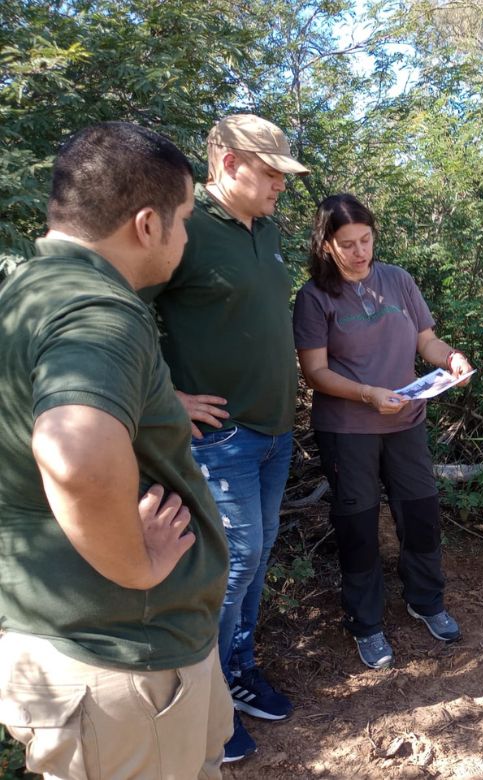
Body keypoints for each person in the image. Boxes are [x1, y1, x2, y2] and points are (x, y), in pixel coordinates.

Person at [0, 122, 231, 778]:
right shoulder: (99, 310)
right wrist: (136, 566)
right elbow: (75, 454)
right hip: (125, 664)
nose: (186, 237)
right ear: (148, 224)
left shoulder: (24, 292)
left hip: (70, 643)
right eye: (186, 219)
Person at [144, 114, 309, 762]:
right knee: (230, 569)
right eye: (271, 174)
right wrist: (165, 397)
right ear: (231, 163)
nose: (280, 188)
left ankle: (237, 677)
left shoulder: (265, 231)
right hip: (223, 439)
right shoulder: (186, 231)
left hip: (274, 431)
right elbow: (127, 308)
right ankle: (205, 704)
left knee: (258, 559)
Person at [293, 193, 474, 670]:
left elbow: (427, 341)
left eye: (366, 239)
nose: (360, 252)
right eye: (347, 244)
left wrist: (451, 358)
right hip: (348, 428)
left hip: (407, 420)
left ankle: (426, 601)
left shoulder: (397, 280)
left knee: (419, 512)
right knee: (358, 526)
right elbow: (315, 372)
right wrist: (368, 393)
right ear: (327, 245)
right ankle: (366, 623)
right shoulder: (315, 297)